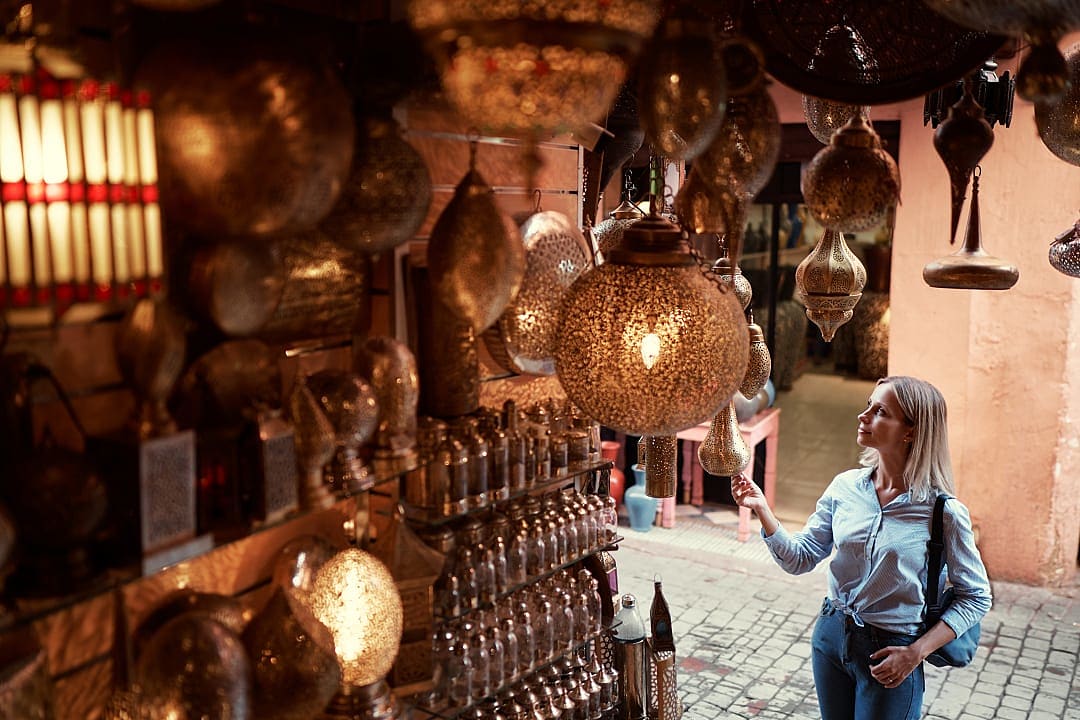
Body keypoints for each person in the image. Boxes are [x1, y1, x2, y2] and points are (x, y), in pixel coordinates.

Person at [731, 375, 991, 720]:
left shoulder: (943, 512)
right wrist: (762, 510)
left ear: (911, 430)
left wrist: (915, 653)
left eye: (880, 411)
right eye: (869, 405)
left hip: (893, 651)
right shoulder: (845, 488)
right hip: (831, 635)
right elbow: (801, 558)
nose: (863, 416)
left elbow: (976, 596)